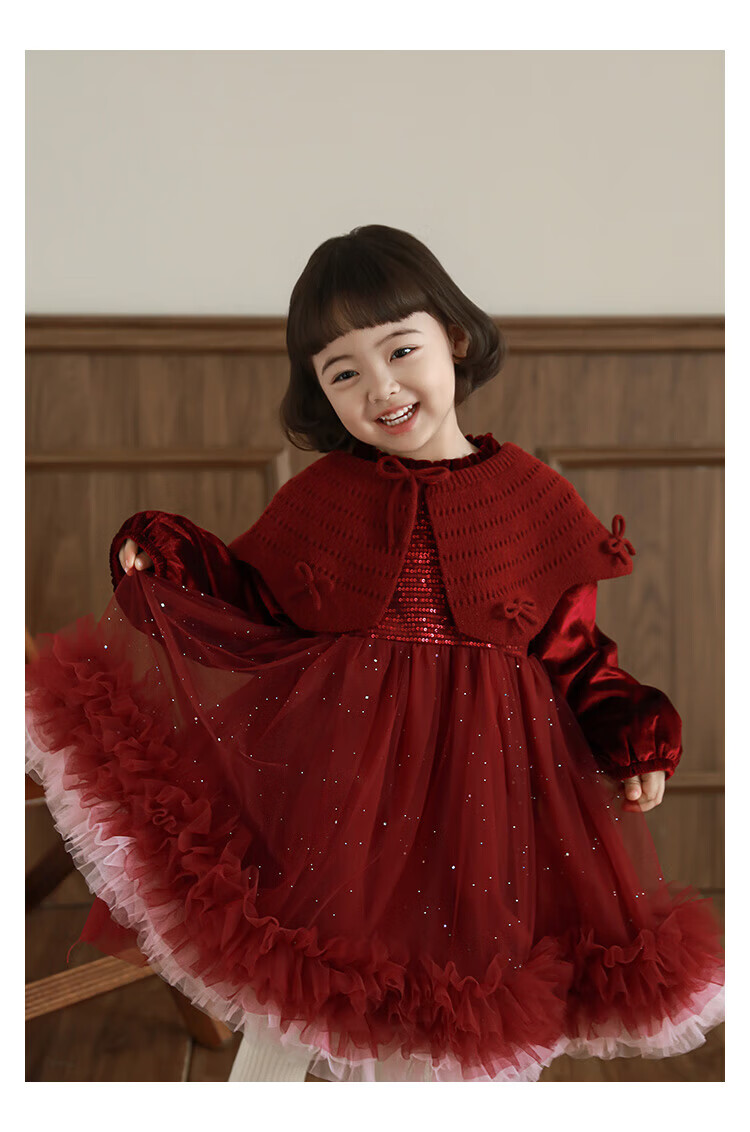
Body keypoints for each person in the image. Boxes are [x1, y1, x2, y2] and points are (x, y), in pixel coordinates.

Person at [25, 224, 725, 1083]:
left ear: (453, 340)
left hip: (491, 799)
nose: (381, 387)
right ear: (321, 391)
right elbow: (253, 602)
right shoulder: (325, 495)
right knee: (297, 980)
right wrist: (171, 560)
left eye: (400, 350)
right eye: (344, 372)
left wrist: (628, 733)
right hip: (338, 792)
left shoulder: (533, 498)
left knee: (465, 1005)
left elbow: (574, 650)